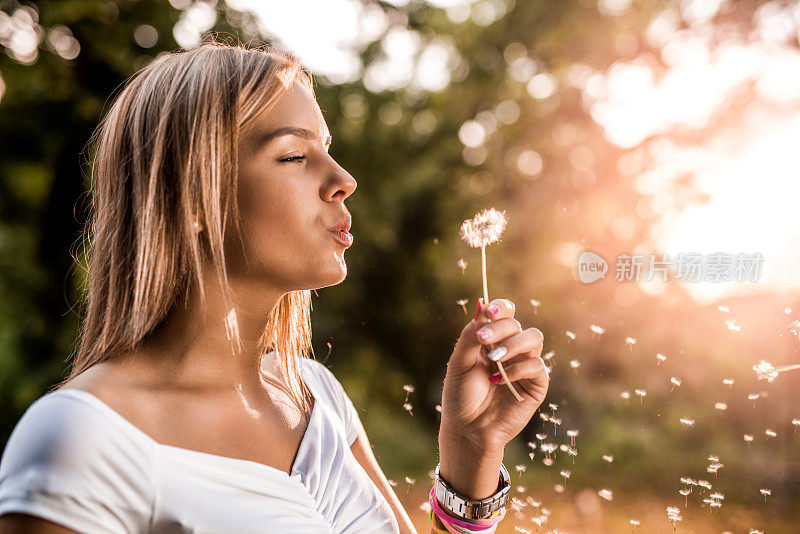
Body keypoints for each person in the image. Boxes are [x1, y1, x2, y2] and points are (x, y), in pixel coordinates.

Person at [0, 40, 549, 534]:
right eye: (294, 155)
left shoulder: (313, 393)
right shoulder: (82, 440)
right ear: (194, 200)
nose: (343, 180)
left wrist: (470, 455)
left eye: (328, 149)